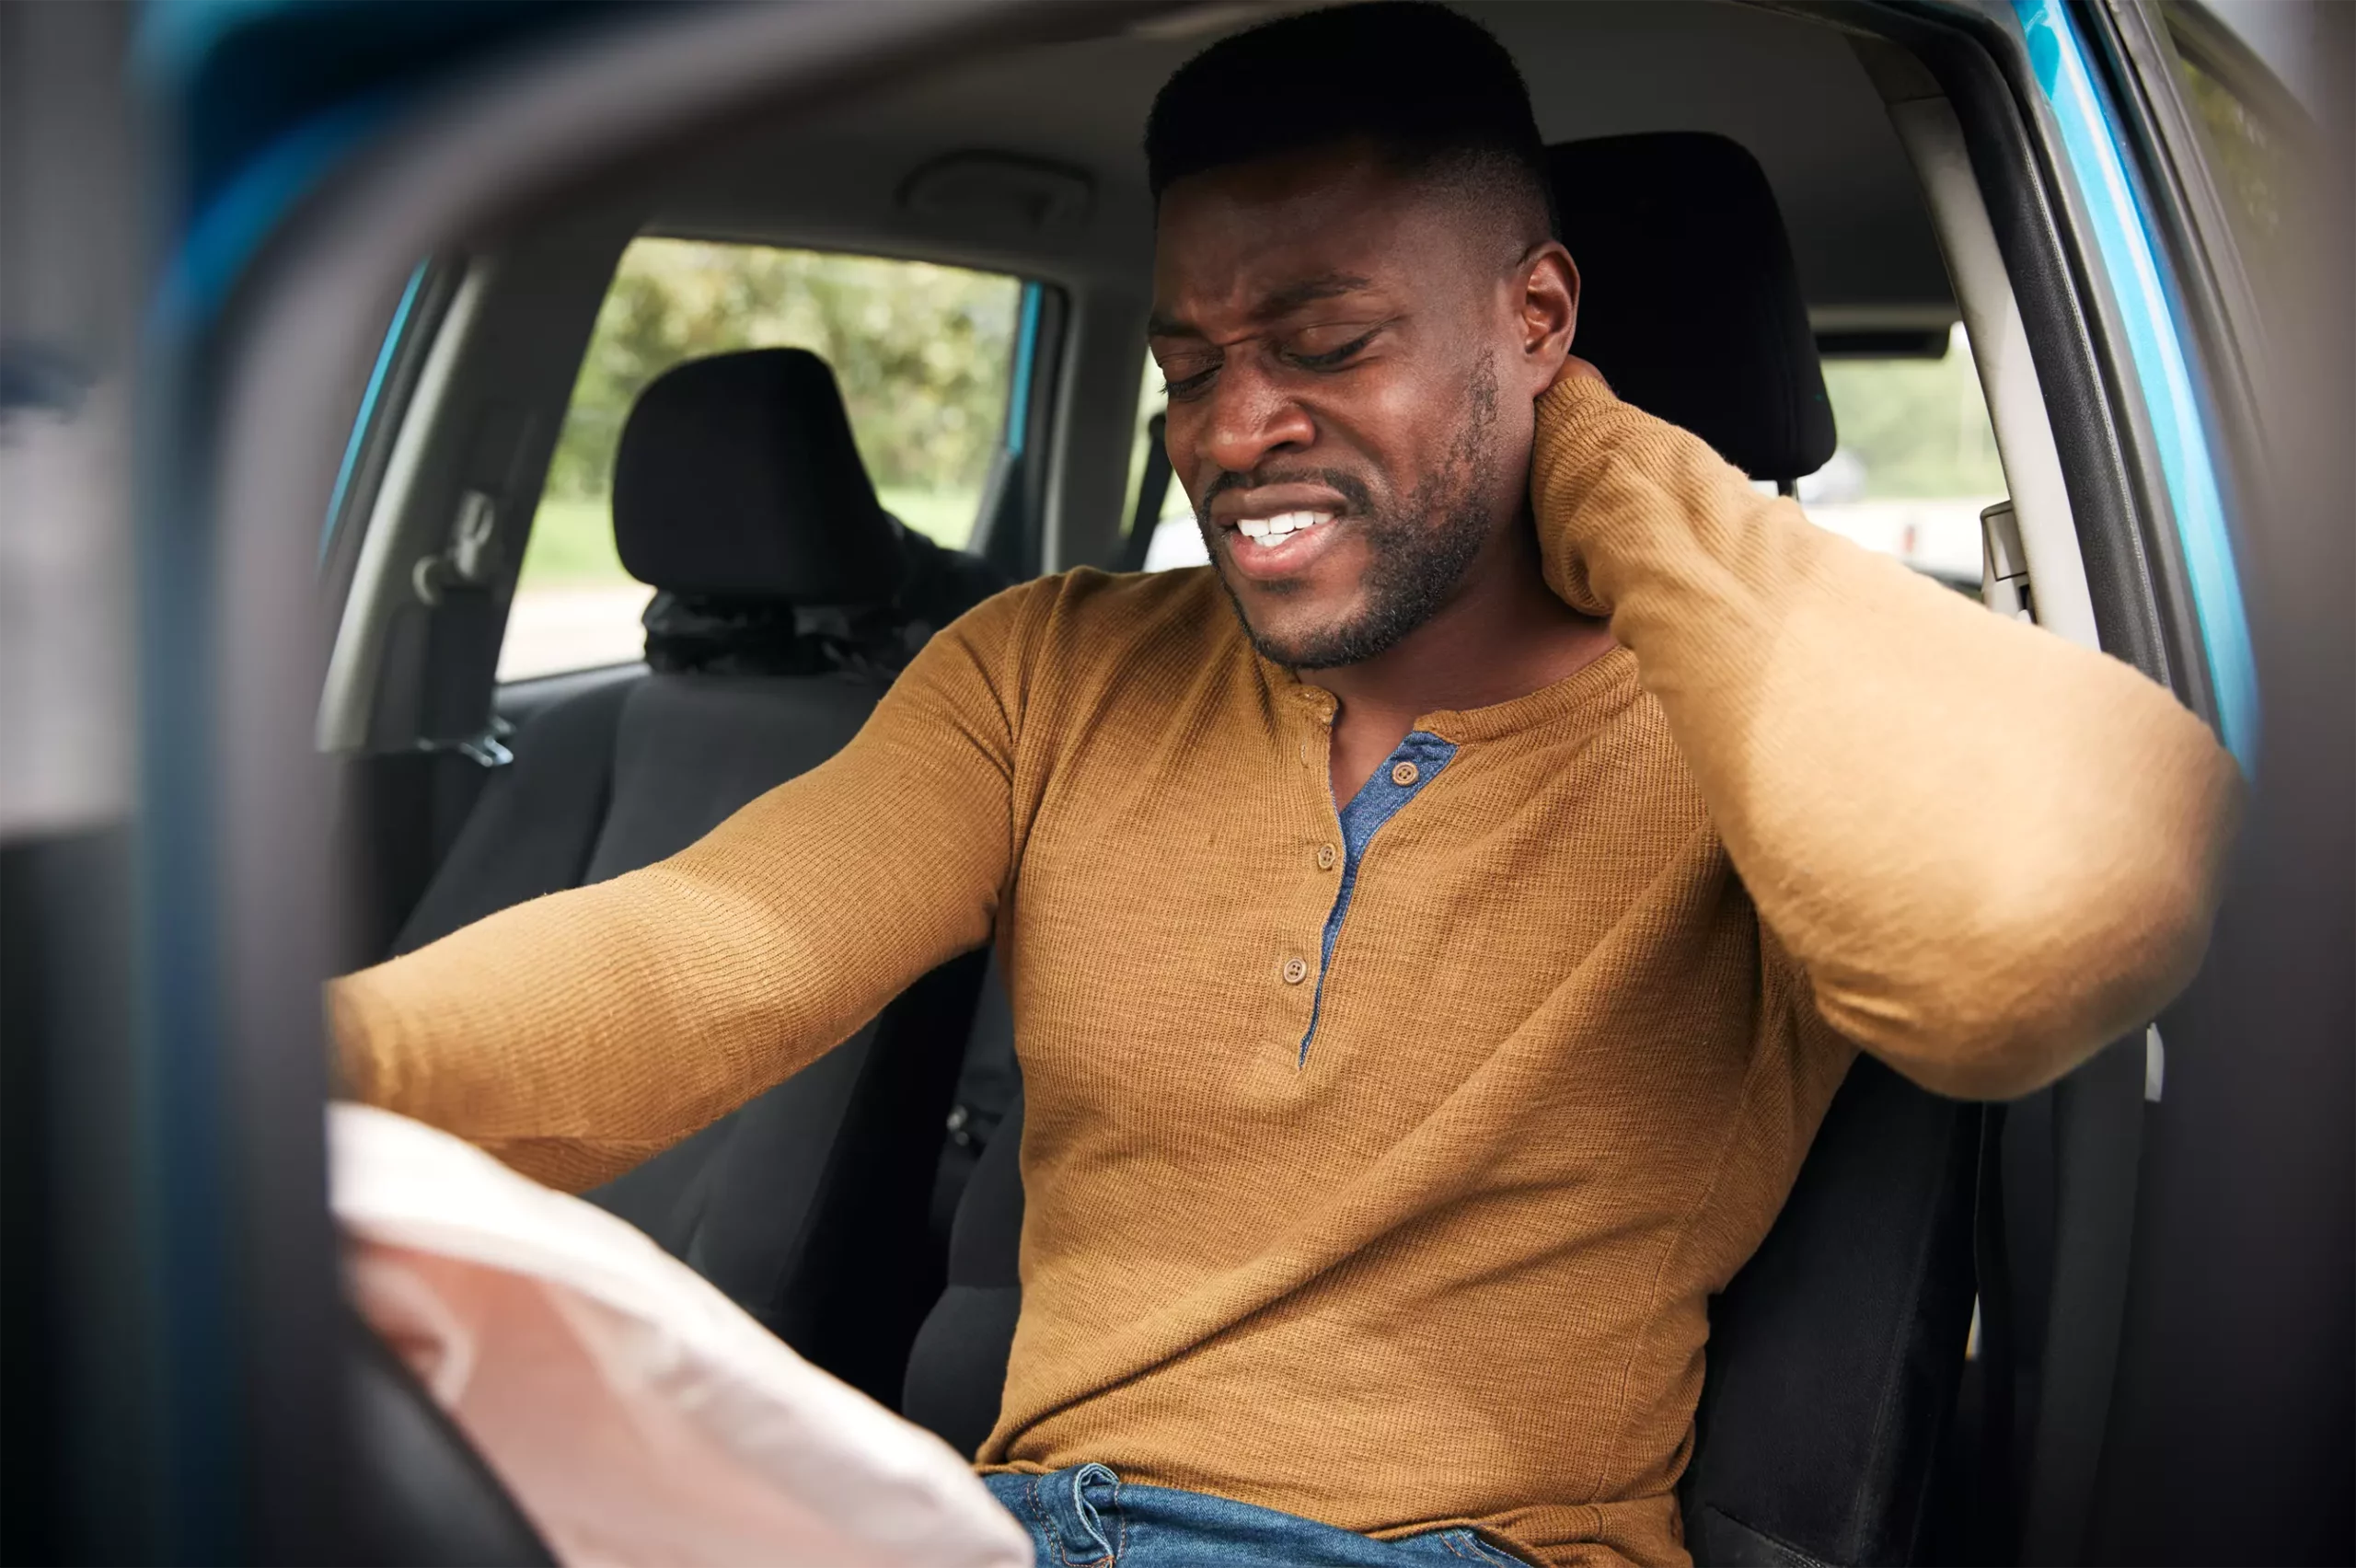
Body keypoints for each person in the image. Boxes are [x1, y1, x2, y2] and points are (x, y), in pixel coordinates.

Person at [328, 6, 2242, 1565]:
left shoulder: (1778, 722)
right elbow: (701, 954)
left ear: (1540, 326)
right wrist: (260, 1085)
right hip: (997, 1526)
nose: (1236, 432)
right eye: (1190, 363)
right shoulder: (1049, 667)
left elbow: (2032, 934)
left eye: (1326, 344)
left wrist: (1611, 483)